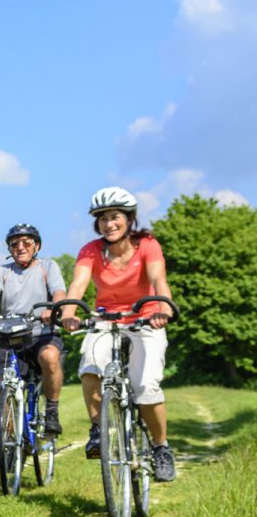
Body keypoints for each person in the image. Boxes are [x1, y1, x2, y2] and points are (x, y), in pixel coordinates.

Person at [60, 187, 177, 481]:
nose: (108, 224)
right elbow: (78, 284)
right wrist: (69, 313)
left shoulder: (147, 244)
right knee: (89, 363)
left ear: (129, 219)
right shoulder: (91, 250)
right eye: (102, 219)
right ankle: (99, 430)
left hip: (146, 319)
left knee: (145, 386)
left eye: (115, 217)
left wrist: (163, 306)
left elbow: (157, 278)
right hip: (105, 319)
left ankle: (161, 448)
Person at [0, 223, 67, 436]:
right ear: (9, 250)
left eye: (26, 243)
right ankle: (11, 441)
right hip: (10, 339)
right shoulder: (2, 272)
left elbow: (59, 292)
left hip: (41, 334)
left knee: (50, 357)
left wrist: (53, 309)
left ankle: (51, 410)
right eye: (14, 244)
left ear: (37, 246)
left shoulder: (47, 267)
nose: (20, 247)